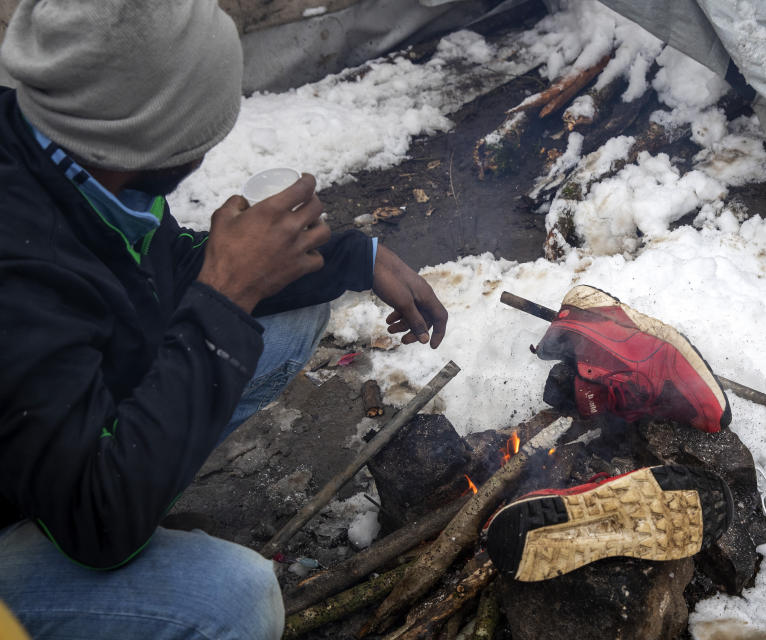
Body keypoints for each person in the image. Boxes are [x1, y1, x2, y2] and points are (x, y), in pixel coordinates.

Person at [0, 2, 447, 638]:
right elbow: (94, 527)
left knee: (288, 311)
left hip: (46, 448)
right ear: (151, 136)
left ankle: (141, 473)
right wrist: (228, 289)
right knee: (229, 602)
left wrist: (352, 257)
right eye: (202, 131)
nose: (209, 146)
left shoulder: (68, 149)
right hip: (72, 510)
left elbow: (159, 275)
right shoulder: (19, 270)